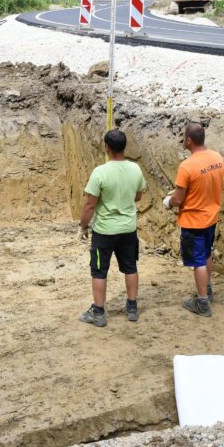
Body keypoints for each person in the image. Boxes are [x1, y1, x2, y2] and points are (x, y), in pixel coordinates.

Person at [77, 129, 147, 327]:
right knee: (130, 267)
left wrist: (82, 226)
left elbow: (90, 205)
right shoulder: (135, 169)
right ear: (124, 147)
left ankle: (98, 312)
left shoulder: (100, 172)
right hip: (128, 229)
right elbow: (138, 196)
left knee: (99, 270)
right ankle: (132, 307)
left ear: (106, 148)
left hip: (105, 232)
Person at [163, 122, 224, 317]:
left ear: (189, 140)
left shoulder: (187, 166)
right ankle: (207, 289)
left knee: (197, 261)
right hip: (211, 217)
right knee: (207, 254)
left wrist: (168, 202)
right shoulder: (217, 158)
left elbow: (179, 199)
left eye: (183, 137)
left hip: (193, 221)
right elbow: (206, 185)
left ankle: (202, 303)